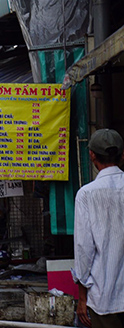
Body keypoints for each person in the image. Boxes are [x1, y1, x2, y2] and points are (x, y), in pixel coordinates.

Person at [73, 128, 124, 328]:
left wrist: (82, 297)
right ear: (122, 155)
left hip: (104, 298)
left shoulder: (87, 194)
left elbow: (84, 249)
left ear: (92, 155)